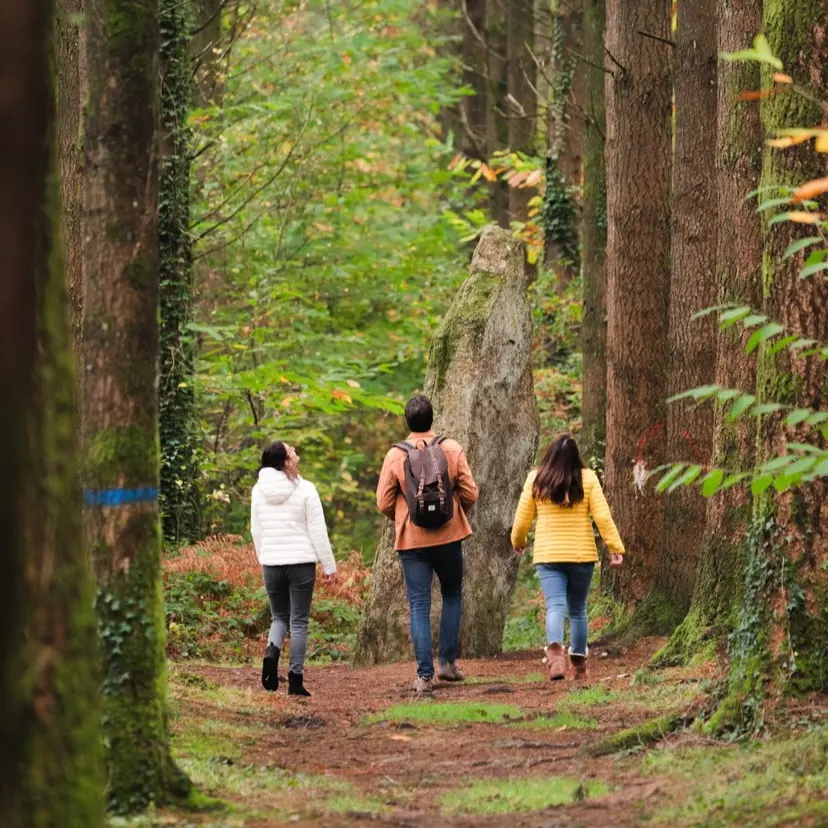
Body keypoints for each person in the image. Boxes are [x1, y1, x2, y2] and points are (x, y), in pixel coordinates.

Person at [377, 394, 479, 695]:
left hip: (412, 542)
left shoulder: (395, 455)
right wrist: (455, 513)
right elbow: (470, 492)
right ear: (433, 418)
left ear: (407, 421)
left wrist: (404, 516)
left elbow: (383, 501)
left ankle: (424, 675)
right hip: (449, 536)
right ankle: (447, 663)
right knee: (452, 594)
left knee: (419, 604)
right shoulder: (451, 448)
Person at [511, 433, 624, 681]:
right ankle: (579, 664)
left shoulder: (537, 478)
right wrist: (615, 547)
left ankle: (555, 656)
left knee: (555, 605)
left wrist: (518, 542)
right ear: (576, 456)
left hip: (548, 555)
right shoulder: (588, 479)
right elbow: (603, 517)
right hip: (581, 554)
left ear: (550, 454)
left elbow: (521, 519)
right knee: (578, 610)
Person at [251, 440, 336, 696]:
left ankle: (271, 652)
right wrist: (328, 565)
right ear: (285, 461)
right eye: (292, 451)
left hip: (271, 563)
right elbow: (317, 531)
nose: (296, 453)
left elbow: (256, 529)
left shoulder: (258, 490)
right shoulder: (306, 489)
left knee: (279, 617)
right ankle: (296, 681)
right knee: (298, 621)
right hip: (301, 563)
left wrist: (264, 556)